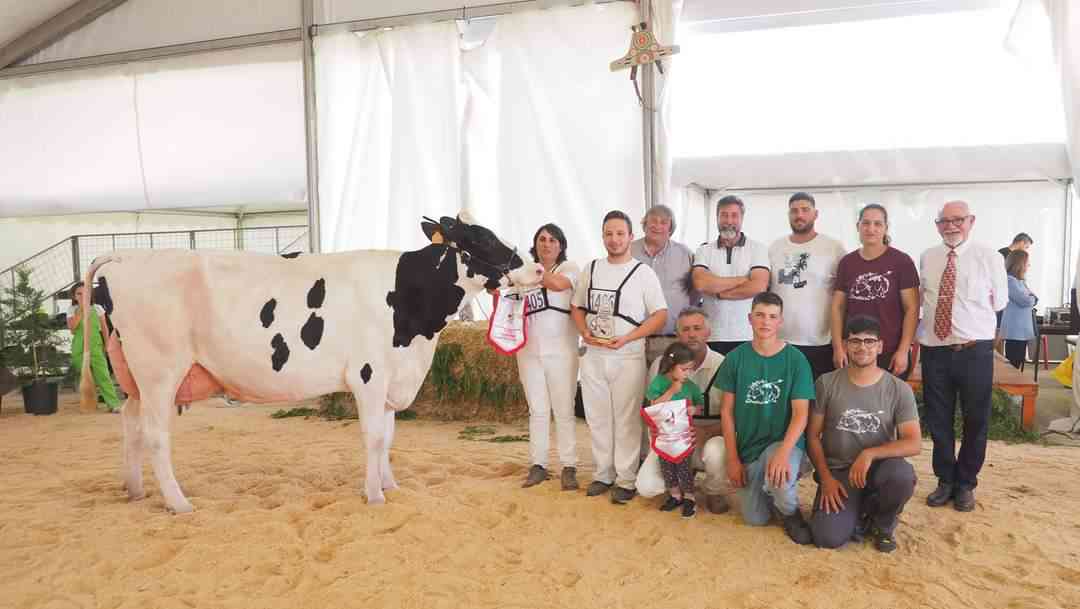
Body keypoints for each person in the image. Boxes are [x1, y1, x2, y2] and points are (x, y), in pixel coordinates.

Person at [572, 210, 668, 505]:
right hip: (594, 354)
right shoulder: (591, 268)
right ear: (603, 236)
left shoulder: (643, 273)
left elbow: (660, 314)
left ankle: (626, 478)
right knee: (598, 416)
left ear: (630, 236)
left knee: (625, 418)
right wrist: (583, 331)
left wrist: (629, 337)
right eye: (608, 233)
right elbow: (577, 307)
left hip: (627, 354)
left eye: (619, 234)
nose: (614, 240)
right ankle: (603, 473)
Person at [919, 200, 1007, 512]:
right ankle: (945, 480)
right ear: (937, 225)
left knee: (975, 419)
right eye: (944, 221)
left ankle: (966, 482)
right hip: (934, 351)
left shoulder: (989, 256)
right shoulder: (927, 257)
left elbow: (999, 302)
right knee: (938, 419)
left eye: (957, 220)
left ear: (971, 221)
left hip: (974, 351)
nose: (951, 226)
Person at [807, 315, 921, 553]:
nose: (862, 347)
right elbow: (812, 436)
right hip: (839, 473)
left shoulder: (898, 389)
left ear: (879, 346)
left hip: (879, 470)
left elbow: (913, 443)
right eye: (855, 341)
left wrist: (870, 454)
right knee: (827, 537)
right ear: (846, 345)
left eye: (869, 341)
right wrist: (826, 478)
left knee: (901, 475)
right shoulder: (826, 383)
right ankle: (858, 514)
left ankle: (883, 524)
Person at [716, 292, 814, 544]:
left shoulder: (796, 360)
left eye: (772, 316)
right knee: (754, 518)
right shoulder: (735, 358)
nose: (765, 322)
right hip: (750, 448)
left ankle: (791, 513)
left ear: (780, 321)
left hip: (785, 444)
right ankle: (772, 492)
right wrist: (733, 458)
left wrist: (783, 452)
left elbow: (801, 413)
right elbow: (726, 411)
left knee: (779, 474)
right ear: (750, 318)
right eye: (760, 315)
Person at [638, 307, 730, 514]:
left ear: (708, 332)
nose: (691, 334)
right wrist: (654, 431)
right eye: (685, 329)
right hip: (671, 438)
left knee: (717, 450)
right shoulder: (661, 365)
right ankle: (678, 486)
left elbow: (734, 417)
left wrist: (707, 432)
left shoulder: (724, 365)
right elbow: (650, 409)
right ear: (678, 335)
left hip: (708, 435)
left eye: (697, 328)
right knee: (646, 487)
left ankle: (715, 491)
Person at [517, 223, 582, 490]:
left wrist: (523, 272)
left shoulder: (569, 269)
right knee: (538, 410)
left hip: (562, 352)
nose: (547, 244)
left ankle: (569, 465)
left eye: (553, 239)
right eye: (542, 239)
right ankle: (538, 464)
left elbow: (555, 285)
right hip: (528, 351)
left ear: (561, 245)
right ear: (535, 243)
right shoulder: (524, 272)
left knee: (564, 410)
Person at [831, 204, 919, 379]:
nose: (871, 229)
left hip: (890, 353)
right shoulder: (847, 263)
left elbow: (912, 309)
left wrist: (903, 350)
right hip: (855, 353)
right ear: (858, 226)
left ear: (886, 228)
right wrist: (838, 348)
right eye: (866, 223)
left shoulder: (902, 262)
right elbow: (837, 308)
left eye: (878, 224)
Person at [768, 192, 846, 380]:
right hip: (781, 340)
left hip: (820, 341)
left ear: (815, 214)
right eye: (794, 211)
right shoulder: (775, 247)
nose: (799, 215)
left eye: (805, 210)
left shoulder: (833, 247)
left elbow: (843, 297)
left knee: (818, 402)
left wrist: (839, 343)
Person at [692, 195, 770, 355]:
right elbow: (701, 283)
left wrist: (718, 292)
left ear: (742, 218)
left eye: (734, 215)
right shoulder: (704, 250)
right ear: (717, 217)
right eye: (724, 215)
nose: (729, 221)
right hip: (712, 335)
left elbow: (758, 286)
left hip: (747, 334)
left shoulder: (758, 249)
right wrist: (741, 280)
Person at [630, 204, 698, 365]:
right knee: (633, 389)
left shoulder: (685, 254)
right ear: (644, 224)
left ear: (671, 228)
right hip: (633, 338)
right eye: (653, 221)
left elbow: (695, 291)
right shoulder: (628, 251)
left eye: (663, 222)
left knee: (667, 388)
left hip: (671, 340)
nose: (657, 226)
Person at [645, 342, 704, 519]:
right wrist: (671, 391)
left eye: (690, 369)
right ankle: (675, 495)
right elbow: (653, 406)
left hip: (682, 437)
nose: (688, 373)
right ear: (672, 366)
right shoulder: (659, 382)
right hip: (663, 436)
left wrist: (694, 410)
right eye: (684, 369)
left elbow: (700, 405)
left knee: (684, 468)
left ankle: (690, 498)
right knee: (667, 468)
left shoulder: (691, 386)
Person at [67, 281, 121, 412]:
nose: (82, 296)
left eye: (85, 293)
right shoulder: (72, 310)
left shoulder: (97, 308)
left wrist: (108, 344)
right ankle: (89, 404)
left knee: (103, 375)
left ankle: (113, 404)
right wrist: (81, 310)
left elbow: (104, 328)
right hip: (79, 347)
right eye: (78, 294)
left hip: (96, 346)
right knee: (85, 377)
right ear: (74, 296)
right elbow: (73, 329)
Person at [1000, 250, 1037, 369]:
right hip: (1015, 330)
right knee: (1014, 362)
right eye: (1027, 263)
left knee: (1018, 361)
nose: (1029, 265)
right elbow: (1026, 300)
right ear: (1019, 264)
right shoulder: (1010, 281)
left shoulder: (1020, 281)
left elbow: (1034, 298)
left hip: (1021, 330)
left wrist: (1032, 298)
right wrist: (1032, 298)